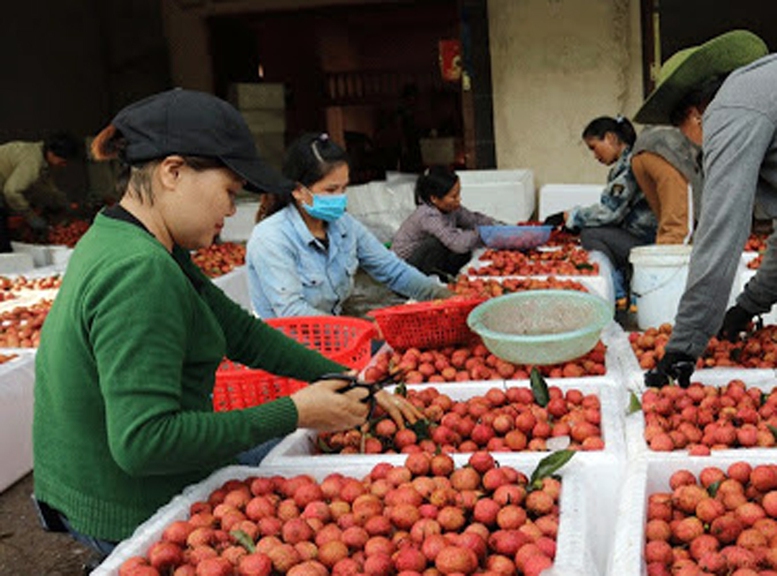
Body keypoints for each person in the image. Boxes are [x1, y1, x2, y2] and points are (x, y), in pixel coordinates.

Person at [31, 89, 421, 556]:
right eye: (229, 192)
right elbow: (143, 443)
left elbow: (241, 331)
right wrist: (295, 412)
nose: (232, 212)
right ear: (172, 172)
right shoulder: (140, 270)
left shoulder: (133, 236)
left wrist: (343, 379)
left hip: (92, 483)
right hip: (124, 505)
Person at [635, 30, 771, 387]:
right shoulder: (760, 92)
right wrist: (747, 306)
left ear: (695, 116)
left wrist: (682, 348)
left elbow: (721, 232)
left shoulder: (729, 111)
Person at [246, 132, 450, 319]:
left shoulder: (343, 226)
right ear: (299, 190)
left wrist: (442, 295)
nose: (340, 198)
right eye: (331, 189)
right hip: (291, 346)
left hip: (336, 336)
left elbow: (392, 270)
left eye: (344, 188)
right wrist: (356, 328)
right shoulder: (272, 237)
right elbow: (292, 312)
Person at [544, 116, 657, 310]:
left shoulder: (629, 167)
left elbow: (609, 213)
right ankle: (622, 291)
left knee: (591, 234)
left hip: (646, 243)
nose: (595, 156)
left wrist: (571, 216)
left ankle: (618, 293)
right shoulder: (626, 164)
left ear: (611, 138)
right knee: (592, 230)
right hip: (639, 237)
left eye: (594, 147)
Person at [392, 165, 502, 281]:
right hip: (405, 269)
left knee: (465, 245)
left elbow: (472, 219)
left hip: (428, 260)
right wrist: (482, 233)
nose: (459, 199)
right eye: (453, 196)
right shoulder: (428, 215)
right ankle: (424, 282)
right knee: (441, 242)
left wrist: (498, 226)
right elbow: (457, 243)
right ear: (434, 198)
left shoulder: (451, 208)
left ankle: (446, 276)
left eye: (458, 194)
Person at [0, 131, 80, 251]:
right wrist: (30, 216)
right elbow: (12, 192)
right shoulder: (33, 162)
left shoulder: (40, 157)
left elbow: (45, 188)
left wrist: (64, 202)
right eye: (63, 161)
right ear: (52, 153)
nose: (63, 165)